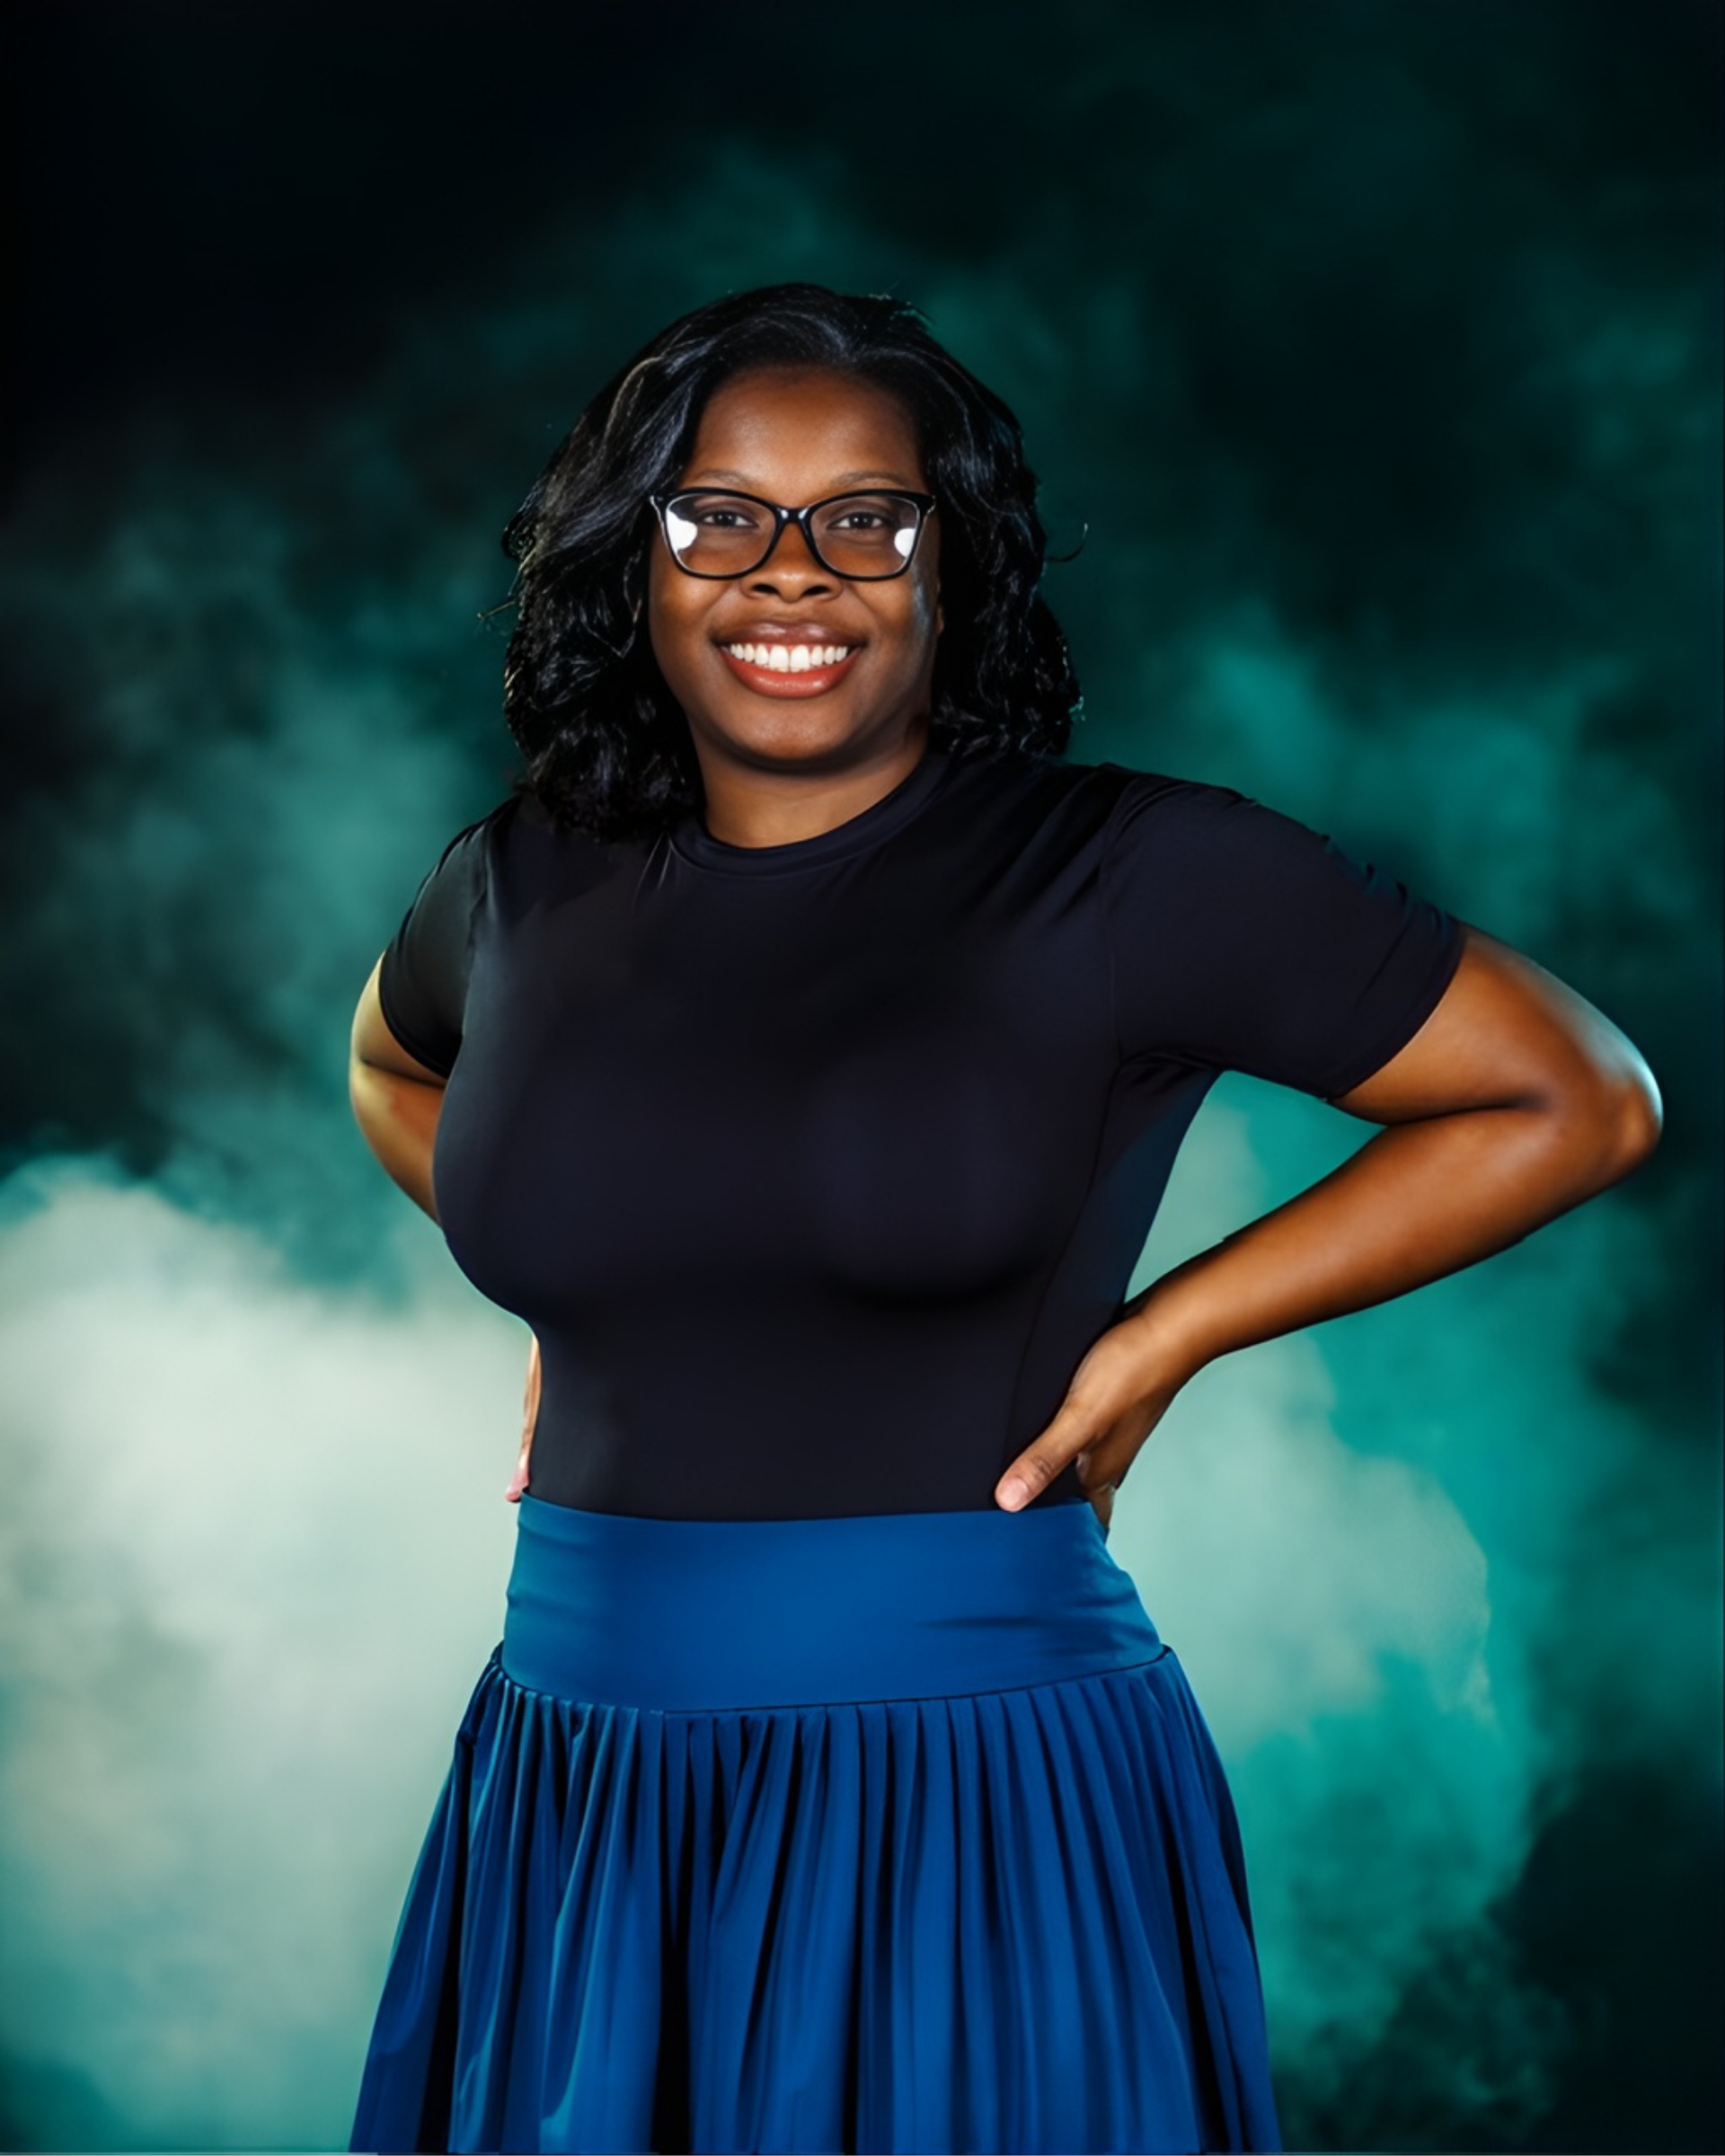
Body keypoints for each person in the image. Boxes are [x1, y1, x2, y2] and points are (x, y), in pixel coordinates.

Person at [344, 283, 1661, 2156]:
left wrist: (1165, 1333)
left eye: (866, 518)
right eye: (718, 514)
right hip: (579, 1789)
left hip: (967, 1787)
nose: (788, 573)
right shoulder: (517, 880)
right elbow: (394, 1076)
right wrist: (593, 1297)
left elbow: (1577, 1097)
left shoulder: (1129, 870)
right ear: (630, 562)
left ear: (950, 567)